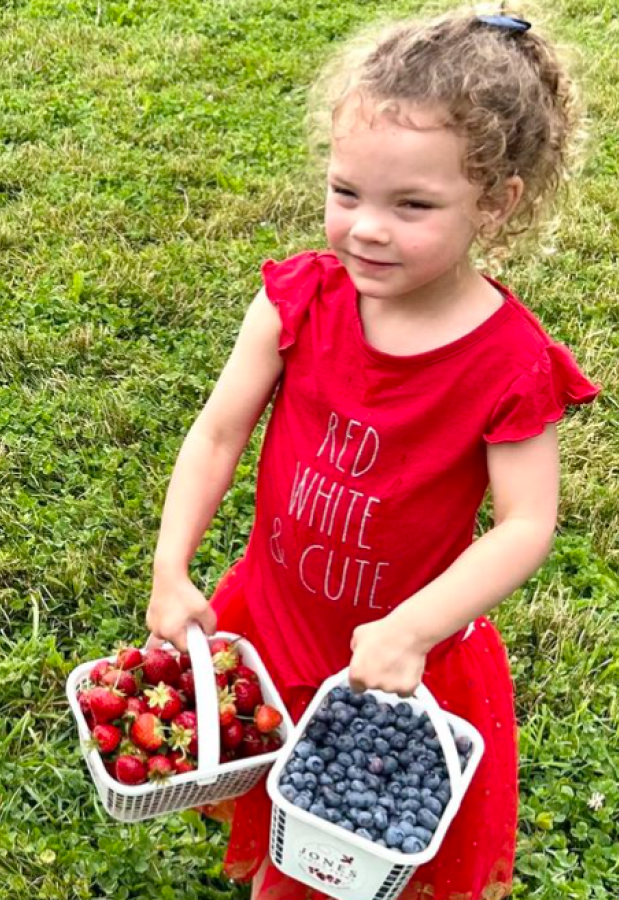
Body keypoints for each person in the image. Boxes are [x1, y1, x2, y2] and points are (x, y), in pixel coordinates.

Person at [146, 9, 600, 900]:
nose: (366, 230)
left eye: (414, 206)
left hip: (397, 667)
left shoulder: (509, 362)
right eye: (347, 192)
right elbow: (217, 433)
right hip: (274, 622)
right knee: (288, 826)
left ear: (498, 203)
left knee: (348, 857)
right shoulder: (298, 301)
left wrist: (412, 630)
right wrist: (172, 566)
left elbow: (526, 525)